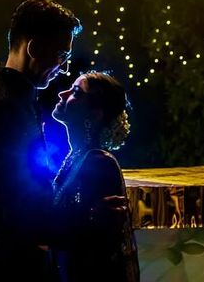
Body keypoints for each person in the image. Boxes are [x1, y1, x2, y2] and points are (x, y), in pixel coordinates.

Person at [0, 0, 125, 281]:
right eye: (61, 55)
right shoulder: (6, 107)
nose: (63, 68)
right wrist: (87, 216)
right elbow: (6, 210)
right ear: (35, 48)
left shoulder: (16, 100)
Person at [51, 71, 140, 282]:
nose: (62, 94)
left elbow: (98, 244)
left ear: (95, 114)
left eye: (75, 92)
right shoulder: (77, 157)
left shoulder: (98, 163)